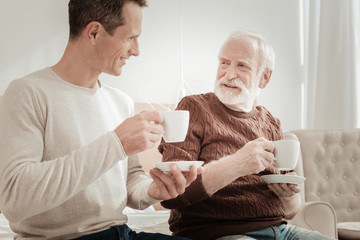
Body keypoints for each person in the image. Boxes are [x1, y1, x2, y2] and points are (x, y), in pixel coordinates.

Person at [0, 0, 201, 239]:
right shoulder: (27, 93)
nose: (136, 50)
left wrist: (154, 190)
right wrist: (116, 144)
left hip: (121, 234)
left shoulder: (121, 102)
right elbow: (15, 199)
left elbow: (130, 182)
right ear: (94, 32)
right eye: (130, 37)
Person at [158, 30, 335, 240]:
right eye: (224, 63)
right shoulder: (193, 108)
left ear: (264, 78)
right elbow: (171, 194)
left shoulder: (270, 123)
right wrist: (237, 164)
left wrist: (289, 196)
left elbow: (290, 211)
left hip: (282, 230)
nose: (229, 73)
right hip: (218, 233)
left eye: (241, 66)